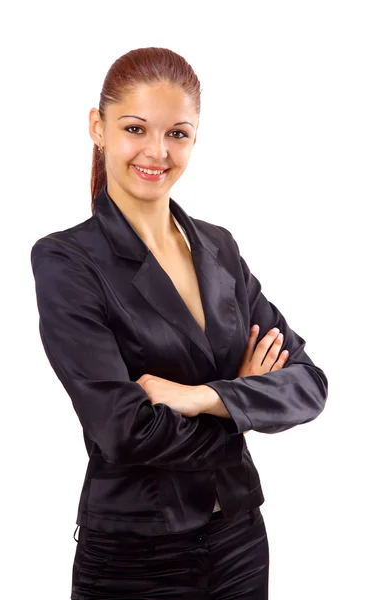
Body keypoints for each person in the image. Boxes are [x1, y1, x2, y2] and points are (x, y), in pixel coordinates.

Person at [31, 46, 328, 599]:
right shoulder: (66, 260)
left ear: (195, 138)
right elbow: (122, 430)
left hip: (239, 541)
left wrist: (203, 396)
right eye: (136, 128)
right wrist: (243, 398)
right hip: (136, 556)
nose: (156, 151)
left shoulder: (218, 247)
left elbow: (308, 385)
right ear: (98, 127)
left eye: (177, 134)